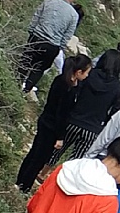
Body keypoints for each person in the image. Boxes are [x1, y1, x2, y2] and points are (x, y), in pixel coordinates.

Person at [15, 53, 91, 191]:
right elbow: (62, 114)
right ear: (79, 72)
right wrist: (60, 137)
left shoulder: (64, 81)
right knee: (39, 157)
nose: (87, 76)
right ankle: (24, 185)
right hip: (52, 126)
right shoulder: (67, 87)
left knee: (35, 153)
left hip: (46, 120)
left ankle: (21, 181)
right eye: (86, 72)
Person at [57, 46, 120, 160]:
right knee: (77, 160)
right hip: (93, 127)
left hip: (74, 119)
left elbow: (75, 91)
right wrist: (105, 121)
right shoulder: (117, 87)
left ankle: (44, 169)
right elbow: (116, 108)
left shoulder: (89, 74)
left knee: (56, 151)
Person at [16, 0, 82, 94]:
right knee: (39, 69)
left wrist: (32, 31)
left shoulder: (48, 1)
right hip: (52, 45)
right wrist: (60, 47)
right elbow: (68, 34)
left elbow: (36, 17)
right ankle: (25, 90)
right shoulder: (74, 15)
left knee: (26, 61)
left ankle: (15, 84)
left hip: (36, 37)